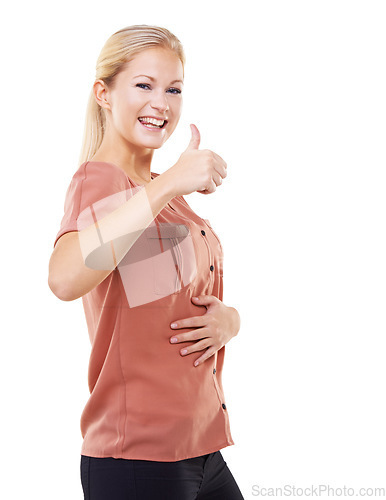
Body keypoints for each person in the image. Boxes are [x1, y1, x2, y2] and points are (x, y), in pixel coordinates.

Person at [48, 24, 244, 500]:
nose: (162, 102)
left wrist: (230, 322)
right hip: (136, 458)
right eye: (144, 85)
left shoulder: (163, 193)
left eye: (173, 89)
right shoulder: (102, 181)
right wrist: (170, 182)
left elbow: (164, 306)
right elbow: (66, 278)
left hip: (201, 449)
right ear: (105, 94)